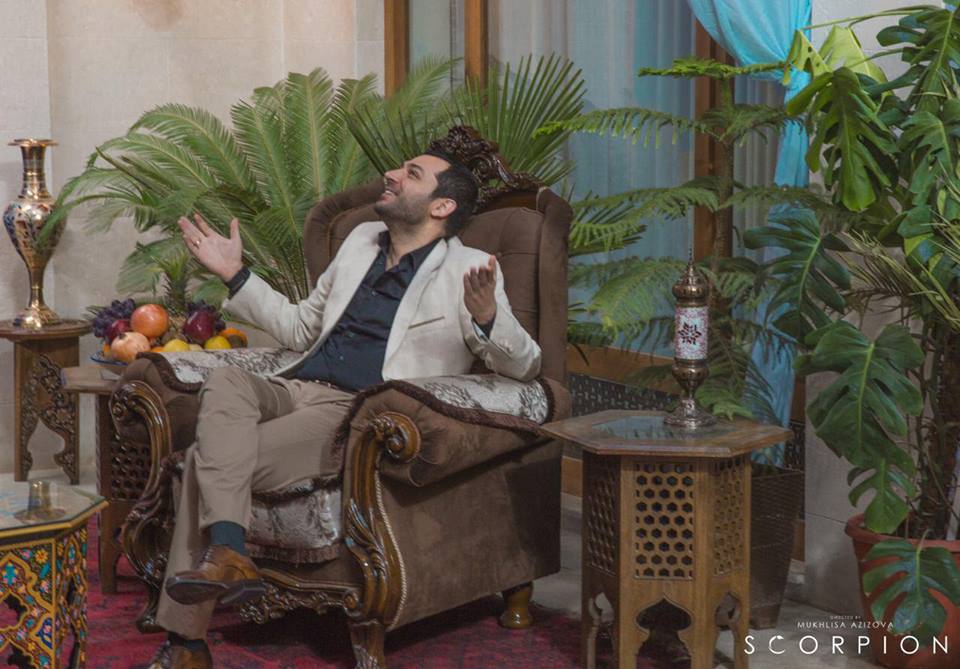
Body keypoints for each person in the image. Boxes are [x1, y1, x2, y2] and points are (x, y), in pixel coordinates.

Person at [146, 149, 541, 669]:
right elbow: (301, 328)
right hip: (296, 386)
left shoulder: (468, 269)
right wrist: (236, 275)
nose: (391, 176)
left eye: (411, 174)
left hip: (350, 411)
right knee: (227, 381)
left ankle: (188, 641)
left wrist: (488, 317)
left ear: (442, 206)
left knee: (204, 460)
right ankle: (228, 556)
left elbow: (525, 367)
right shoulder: (360, 242)